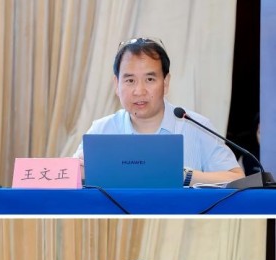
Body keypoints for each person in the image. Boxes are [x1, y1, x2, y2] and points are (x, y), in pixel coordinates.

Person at [73, 37, 244, 186]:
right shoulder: (101, 130)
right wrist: (82, 173)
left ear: (166, 82)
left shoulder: (196, 126)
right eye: (130, 80)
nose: (139, 91)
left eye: (149, 79)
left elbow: (237, 179)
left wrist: (185, 176)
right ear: (116, 85)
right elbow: (69, 177)